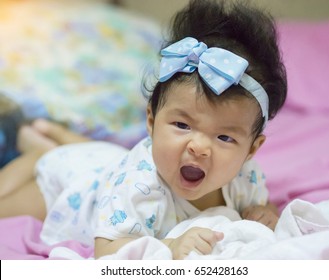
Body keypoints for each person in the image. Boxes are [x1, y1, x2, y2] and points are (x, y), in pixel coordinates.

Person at [0, 0, 287, 260]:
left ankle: (55, 141)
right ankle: (40, 154)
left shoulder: (245, 177)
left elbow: (263, 207)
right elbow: (107, 250)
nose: (198, 146)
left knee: (104, 158)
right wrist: (169, 248)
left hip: (107, 161)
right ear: (151, 121)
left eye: (224, 137)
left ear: (251, 149)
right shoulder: (140, 188)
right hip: (73, 185)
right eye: (182, 125)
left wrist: (265, 214)